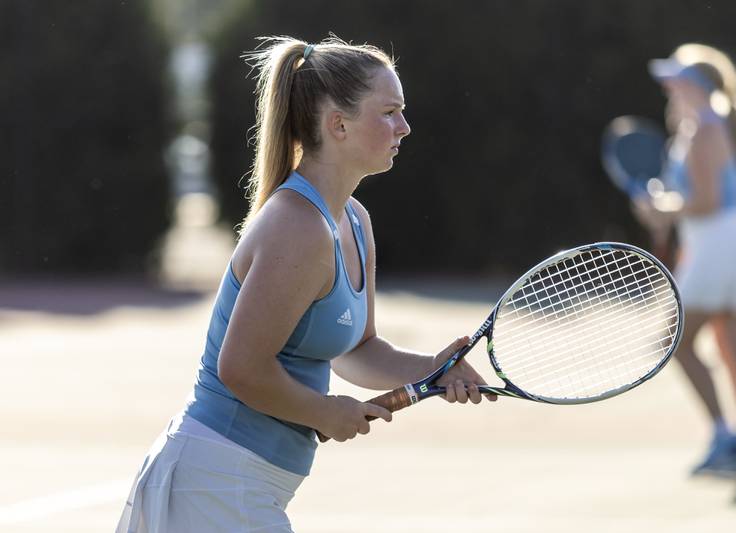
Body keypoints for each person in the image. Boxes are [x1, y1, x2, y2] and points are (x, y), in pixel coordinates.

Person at [117, 36, 495, 533]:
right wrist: (325, 412)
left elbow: (358, 349)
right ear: (337, 124)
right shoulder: (298, 227)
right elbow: (240, 368)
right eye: (389, 112)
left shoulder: (353, 221)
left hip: (239, 485)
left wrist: (434, 369)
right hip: (214, 481)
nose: (405, 126)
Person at [633, 43, 736, 476]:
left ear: (693, 85)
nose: (668, 88)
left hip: (722, 245)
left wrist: (665, 209)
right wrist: (672, 213)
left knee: (674, 344)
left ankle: (725, 436)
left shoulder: (703, 129)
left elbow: (708, 202)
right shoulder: (724, 123)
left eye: (675, 80)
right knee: (731, 346)